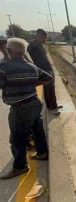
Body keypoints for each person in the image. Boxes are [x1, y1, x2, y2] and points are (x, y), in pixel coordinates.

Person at [0, 38, 52, 179]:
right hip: (34, 102)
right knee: (37, 130)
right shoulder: (31, 66)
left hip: (20, 107)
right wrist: (31, 84)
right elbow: (48, 78)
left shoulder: (4, 66)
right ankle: (42, 152)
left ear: (8, 51)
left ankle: (20, 166)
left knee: (17, 139)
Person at [1, 39, 35, 151]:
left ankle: (20, 165)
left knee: (17, 135)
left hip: (23, 102)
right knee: (21, 130)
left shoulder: (8, 64)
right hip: (24, 101)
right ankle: (27, 145)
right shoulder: (3, 64)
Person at [27, 29, 62, 115]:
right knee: (49, 88)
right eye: (44, 38)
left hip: (47, 67)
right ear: (39, 36)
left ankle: (51, 105)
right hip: (42, 69)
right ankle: (53, 108)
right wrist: (32, 66)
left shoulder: (40, 45)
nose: (45, 40)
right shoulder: (32, 45)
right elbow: (24, 55)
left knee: (49, 88)